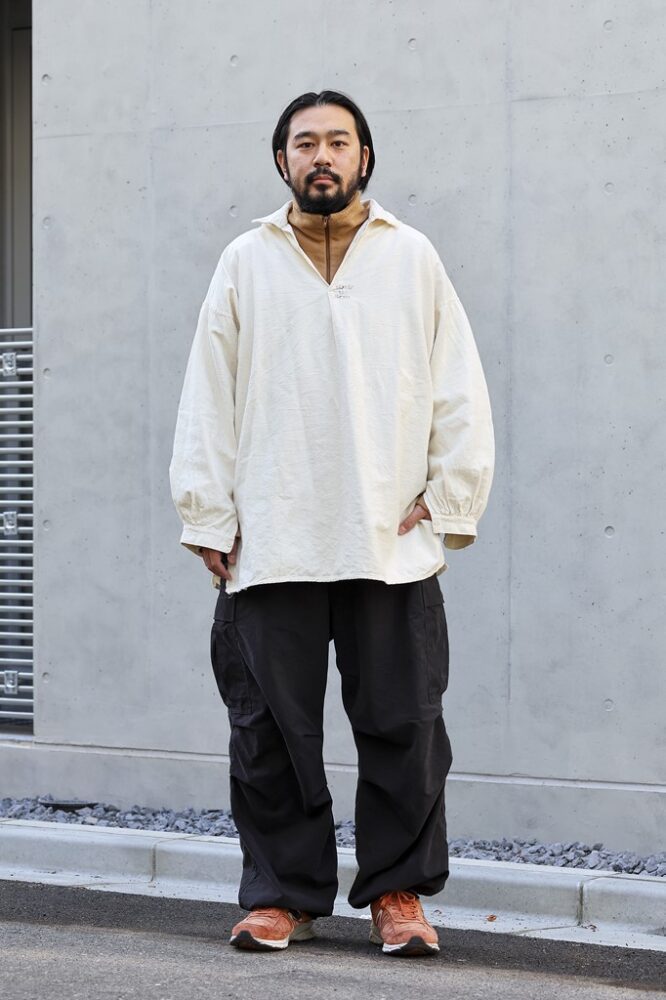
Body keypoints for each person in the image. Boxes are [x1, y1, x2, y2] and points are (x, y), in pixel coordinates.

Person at [169, 90, 494, 957]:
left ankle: (396, 893)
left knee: (406, 725)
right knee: (269, 731)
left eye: (339, 142)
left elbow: (457, 382)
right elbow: (208, 391)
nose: (323, 155)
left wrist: (451, 493)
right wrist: (207, 510)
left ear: (364, 158)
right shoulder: (246, 259)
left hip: (389, 535)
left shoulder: (410, 255)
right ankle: (284, 896)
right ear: (282, 160)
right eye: (306, 142)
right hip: (271, 533)